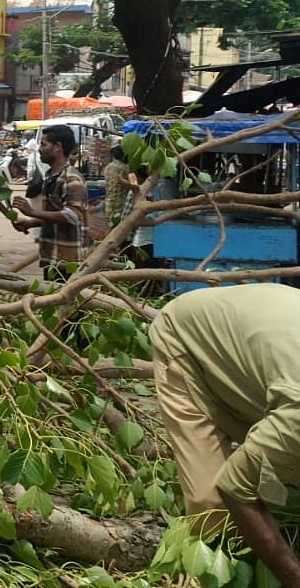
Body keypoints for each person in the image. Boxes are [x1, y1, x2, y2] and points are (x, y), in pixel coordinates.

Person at [150, 283, 300, 585]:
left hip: (260, 343)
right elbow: (234, 488)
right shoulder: (298, 411)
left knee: (280, 472)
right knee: (213, 513)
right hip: (187, 340)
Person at [11, 124, 90, 273]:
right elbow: (55, 214)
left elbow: (72, 216)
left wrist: (32, 212)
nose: (39, 149)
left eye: (43, 144)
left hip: (68, 261)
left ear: (57, 147)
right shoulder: (50, 176)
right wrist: (30, 223)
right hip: (52, 256)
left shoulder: (72, 179)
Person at [103, 145, 134, 228]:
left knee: (110, 226)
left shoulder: (107, 167)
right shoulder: (126, 168)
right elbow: (134, 184)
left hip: (109, 203)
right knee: (119, 227)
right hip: (121, 204)